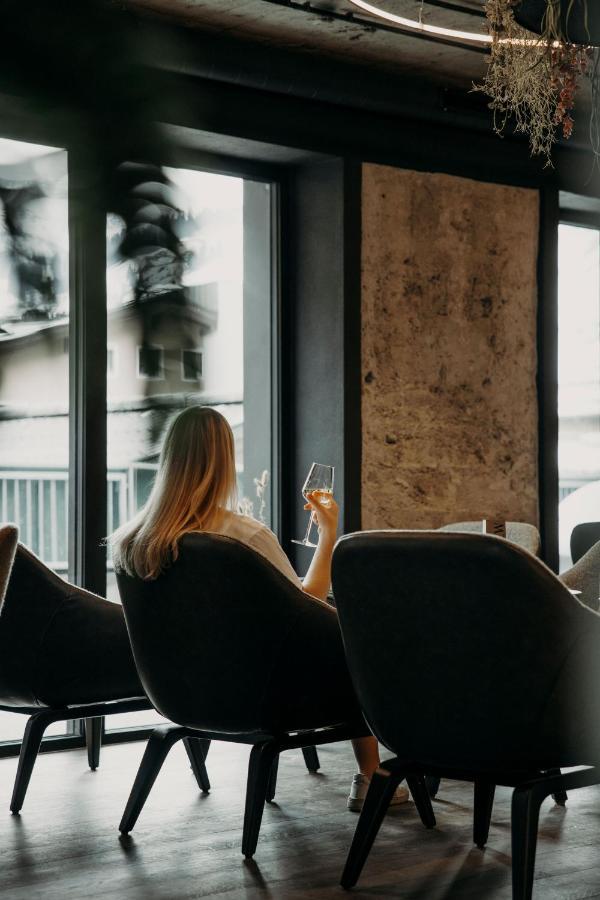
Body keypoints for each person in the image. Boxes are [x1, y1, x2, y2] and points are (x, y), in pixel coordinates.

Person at [110, 405, 408, 811]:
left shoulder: (133, 543)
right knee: (357, 644)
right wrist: (328, 534)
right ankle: (371, 777)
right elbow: (309, 602)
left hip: (181, 695)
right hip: (264, 696)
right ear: (222, 463)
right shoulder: (243, 536)